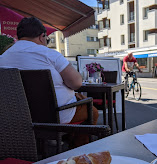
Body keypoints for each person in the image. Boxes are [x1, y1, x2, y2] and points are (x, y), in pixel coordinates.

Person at [0, 17, 98, 148]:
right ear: (42, 36)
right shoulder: (49, 54)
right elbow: (76, 83)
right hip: (55, 115)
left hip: (18, 118)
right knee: (92, 110)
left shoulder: (3, 58)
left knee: (80, 100)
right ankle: (76, 151)